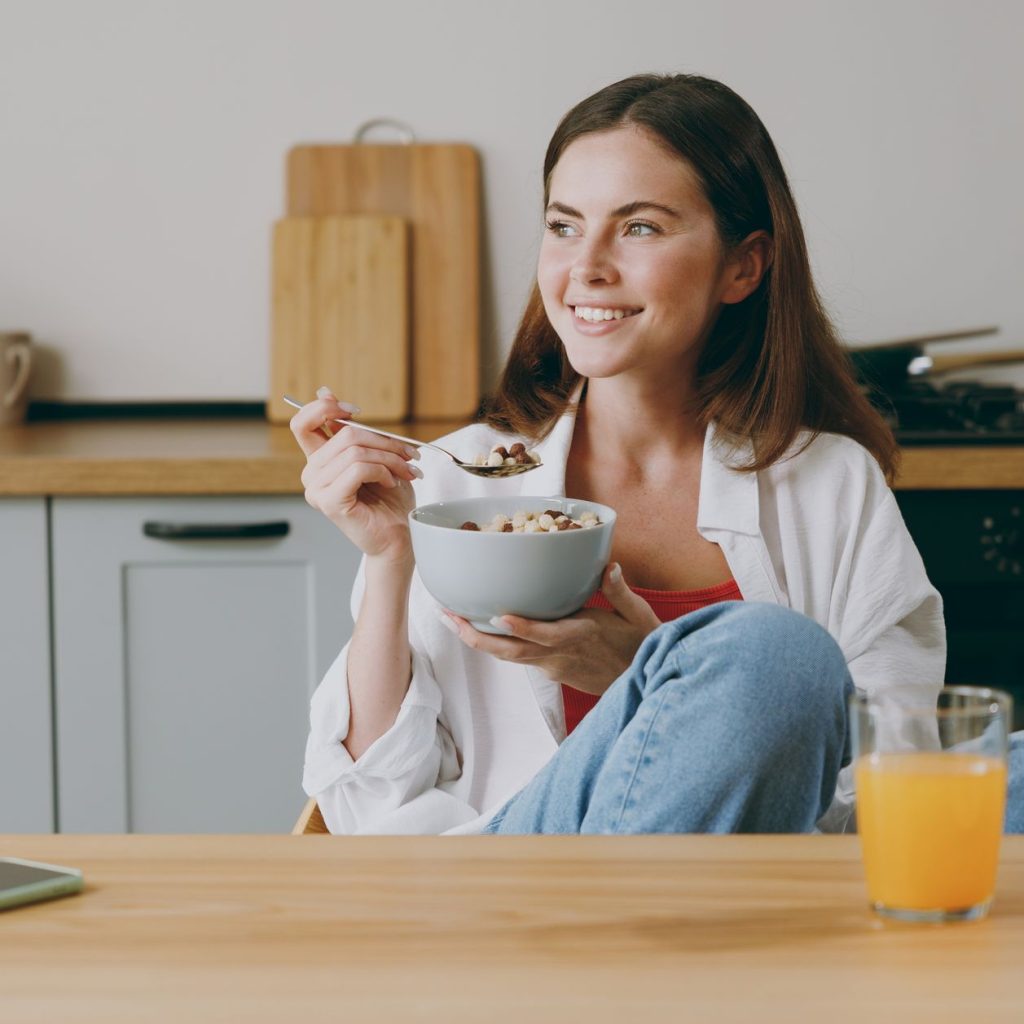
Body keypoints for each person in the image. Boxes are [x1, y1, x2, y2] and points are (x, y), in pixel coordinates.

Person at [290, 72, 1023, 836]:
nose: (587, 267)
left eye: (639, 228)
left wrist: (642, 672)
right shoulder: (452, 481)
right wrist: (389, 558)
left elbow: (891, 785)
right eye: (564, 226)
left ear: (744, 266)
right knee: (773, 653)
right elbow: (369, 808)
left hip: (762, 896)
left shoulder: (829, 483)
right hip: (519, 890)